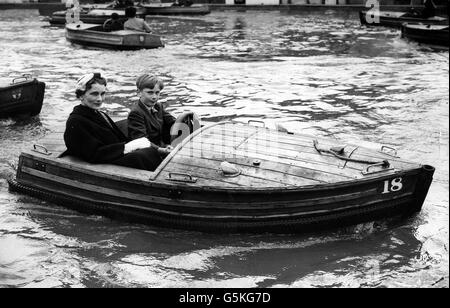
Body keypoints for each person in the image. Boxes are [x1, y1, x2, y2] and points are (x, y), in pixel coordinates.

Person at [63, 73, 163, 171]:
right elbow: (92, 153)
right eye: (94, 94)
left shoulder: (101, 114)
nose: (99, 99)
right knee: (141, 156)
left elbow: (119, 138)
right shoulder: (76, 121)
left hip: (110, 154)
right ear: (81, 95)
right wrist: (126, 147)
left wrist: (133, 145)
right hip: (100, 161)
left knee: (147, 151)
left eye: (102, 94)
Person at [127, 74, 176, 157]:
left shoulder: (158, 106)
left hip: (163, 146)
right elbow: (141, 141)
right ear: (139, 93)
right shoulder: (136, 113)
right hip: (148, 153)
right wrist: (162, 150)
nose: (154, 97)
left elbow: (173, 122)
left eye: (157, 93)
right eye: (150, 93)